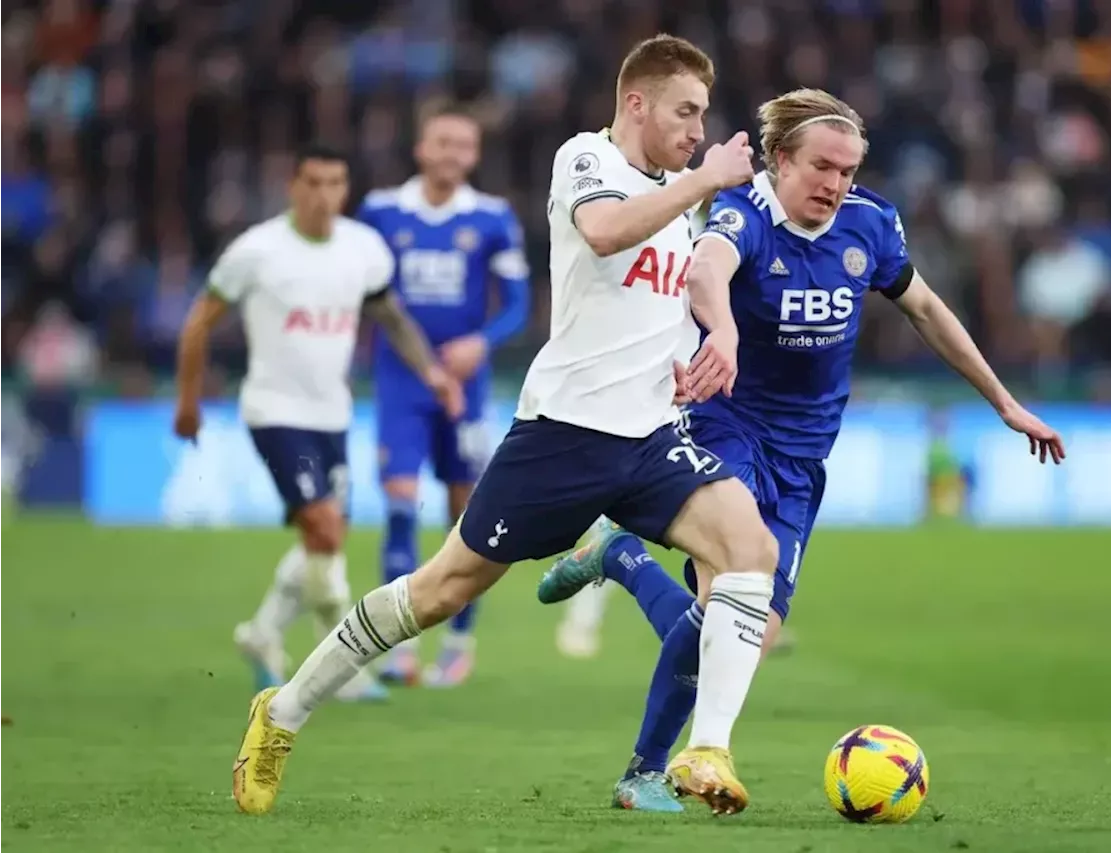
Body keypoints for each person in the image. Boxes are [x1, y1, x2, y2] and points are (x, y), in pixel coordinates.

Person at [232, 34, 778, 818]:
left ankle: (708, 748)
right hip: (564, 434)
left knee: (748, 549)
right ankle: (281, 713)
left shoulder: (678, 191)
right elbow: (605, 233)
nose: (698, 129)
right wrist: (703, 179)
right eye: (684, 112)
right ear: (636, 103)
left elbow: (686, 276)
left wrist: (716, 334)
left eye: (702, 116)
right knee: (439, 591)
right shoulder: (586, 159)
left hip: (656, 435)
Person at [536, 88, 1066, 813]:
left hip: (804, 455)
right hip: (725, 426)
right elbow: (704, 271)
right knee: (726, 593)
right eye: (822, 166)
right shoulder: (743, 213)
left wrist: (1004, 402)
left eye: (847, 170)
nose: (835, 183)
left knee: (740, 635)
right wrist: (720, 331)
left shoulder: (871, 225)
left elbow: (927, 310)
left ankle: (619, 557)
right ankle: (655, 767)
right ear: (781, 158)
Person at [173, 143, 463, 705]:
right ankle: (344, 667)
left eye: (335, 183)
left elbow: (391, 317)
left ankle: (261, 635)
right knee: (326, 530)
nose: (324, 195)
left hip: (333, 415)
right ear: (293, 186)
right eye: (314, 183)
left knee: (321, 539)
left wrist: (433, 372)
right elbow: (198, 323)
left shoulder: (363, 249)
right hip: (274, 412)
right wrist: (188, 402)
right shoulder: (256, 251)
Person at [358, 106, 530, 688]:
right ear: (421, 149)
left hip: (465, 388)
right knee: (401, 504)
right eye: (443, 143)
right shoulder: (381, 212)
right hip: (401, 382)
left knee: (467, 516)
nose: (453, 153)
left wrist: (481, 342)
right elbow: (359, 291)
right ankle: (400, 649)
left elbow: (517, 305)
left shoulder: (491, 218)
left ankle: (459, 641)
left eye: (464, 145)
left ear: (474, 156)